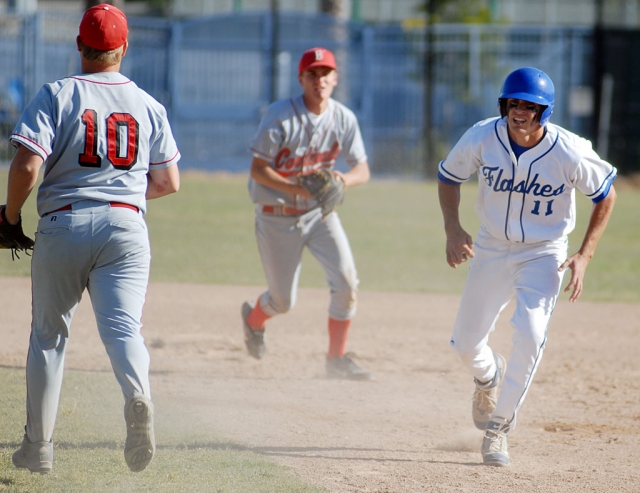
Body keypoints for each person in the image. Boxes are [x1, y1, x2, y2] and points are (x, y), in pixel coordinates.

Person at [8, 4, 180, 474]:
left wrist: (8, 215)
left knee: (49, 337)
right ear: (122, 48)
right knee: (124, 330)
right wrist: (119, 197)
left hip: (64, 222)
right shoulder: (148, 104)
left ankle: (38, 448)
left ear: (79, 46)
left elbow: (27, 165)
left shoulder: (57, 94)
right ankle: (137, 395)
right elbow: (168, 182)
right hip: (126, 226)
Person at [437, 67, 617, 466]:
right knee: (466, 343)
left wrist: (584, 255)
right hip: (491, 246)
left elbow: (605, 194)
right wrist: (453, 228)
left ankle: (499, 428)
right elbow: (449, 175)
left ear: (544, 111)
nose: (519, 110)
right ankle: (487, 376)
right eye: (513, 102)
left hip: (544, 252)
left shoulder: (568, 150)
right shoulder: (484, 135)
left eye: (529, 105)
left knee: (531, 335)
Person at [242, 47, 372, 380]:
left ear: (335, 78)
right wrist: (301, 189)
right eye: (312, 74)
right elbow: (258, 169)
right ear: (300, 79)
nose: (320, 80)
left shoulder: (343, 117)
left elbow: (362, 169)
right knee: (283, 301)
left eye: (326, 73)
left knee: (346, 283)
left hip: (319, 215)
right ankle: (253, 321)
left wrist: (342, 179)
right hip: (276, 216)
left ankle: (336, 359)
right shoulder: (280, 115)